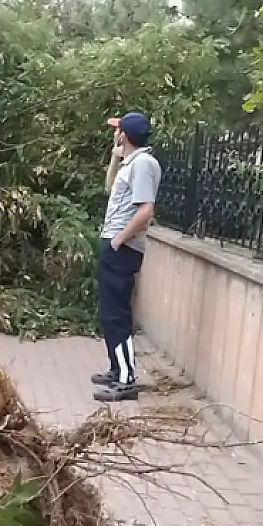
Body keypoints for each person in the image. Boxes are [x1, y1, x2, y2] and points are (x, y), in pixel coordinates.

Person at [91, 111, 162, 403]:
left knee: (117, 315)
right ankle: (117, 369)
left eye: (118, 130)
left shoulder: (144, 164)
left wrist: (119, 240)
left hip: (122, 248)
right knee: (109, 314)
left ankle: (126, 380)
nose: (115, 134)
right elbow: (110, 188)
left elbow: (146, 210)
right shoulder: (130, 163)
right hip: (115, 246)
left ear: (125, 135)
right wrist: (115, 156)